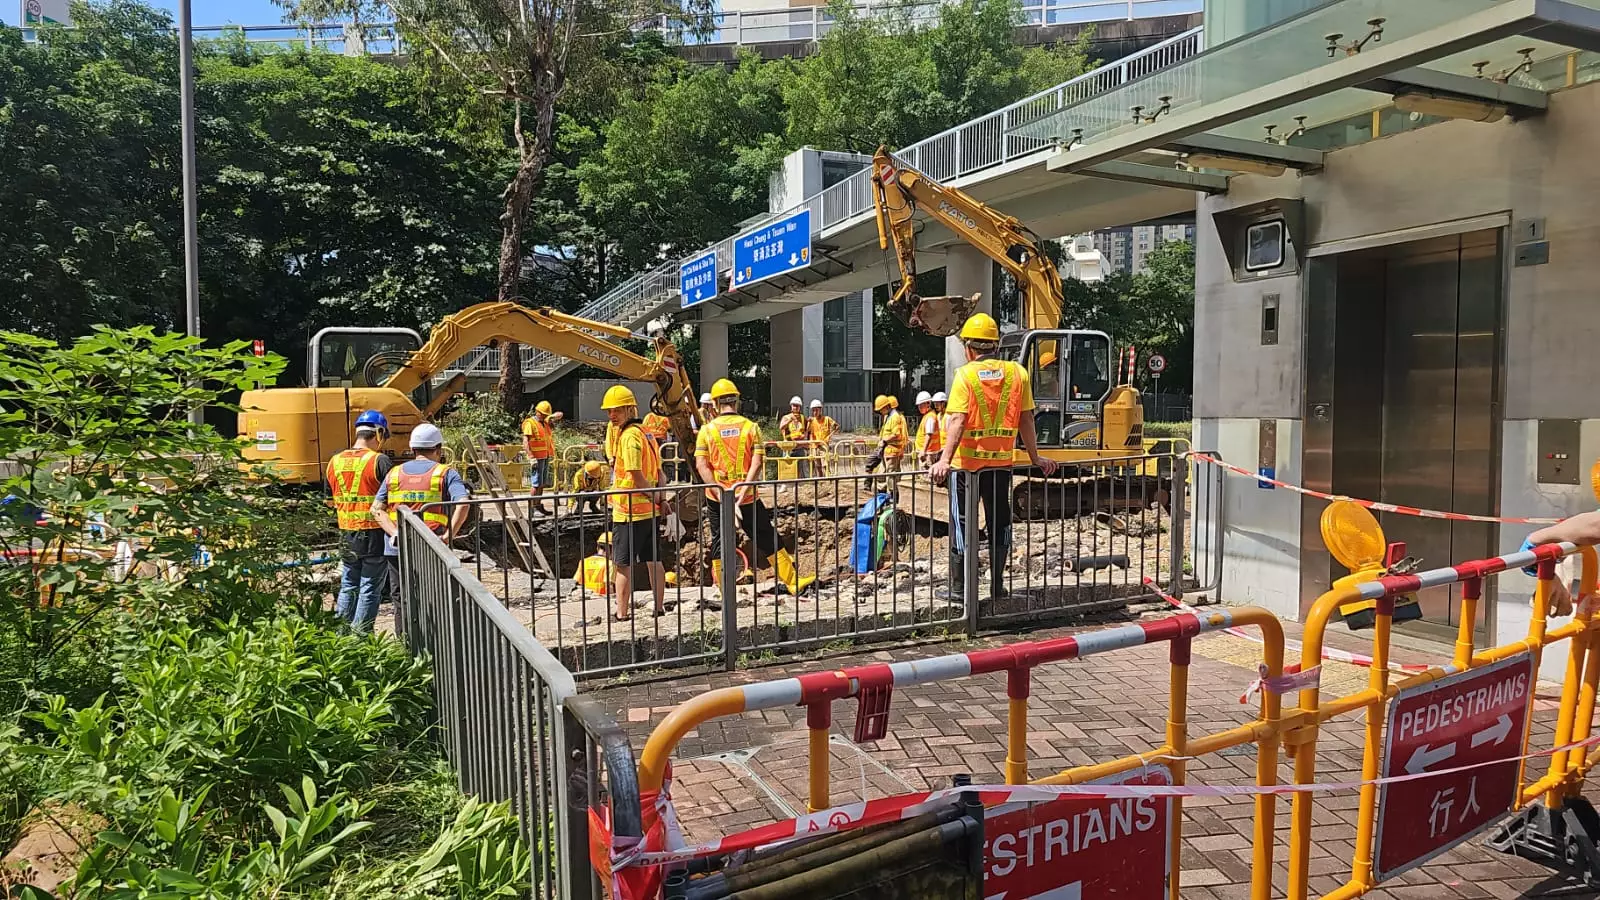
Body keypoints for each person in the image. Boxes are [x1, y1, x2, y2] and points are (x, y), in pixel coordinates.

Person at [929, 313, 1058, 601]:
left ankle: (959, 590)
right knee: (1000, 523)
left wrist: (944, 460)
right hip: (1001, 465)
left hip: (966, 468)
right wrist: (1036, 458)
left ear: (969, 349)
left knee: (962, 525)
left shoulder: (965, 375)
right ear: (996, 346)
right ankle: (997, 587)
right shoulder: (1017, 374)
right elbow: (1027, 420)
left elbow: (959, 420)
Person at [696, 378, 814, 595]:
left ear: (714, 404)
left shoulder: (706, 431)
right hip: (747, 496)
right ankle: (792, 581)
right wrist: (741, 493)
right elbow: (757, 463)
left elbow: (701, 465)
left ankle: (725, 591)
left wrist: (723, 495)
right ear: (737, 401)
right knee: (766, 536)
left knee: (720, 540)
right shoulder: (752, 428)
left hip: (717, 497)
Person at [372, 423, 472, 624]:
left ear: (413, 448)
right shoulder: (445, 473)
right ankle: (433, 646)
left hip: (397, 549)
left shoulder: (394, 473)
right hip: (431, 546)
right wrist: (448, 536)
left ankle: (406, 645)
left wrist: (394, 533)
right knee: (433, 597)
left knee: (401, 598)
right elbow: (464, 503)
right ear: (439, 449)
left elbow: (376, 509)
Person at [603, 385, 670, 620]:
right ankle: (659, 607)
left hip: (629, 512)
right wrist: (661, 500)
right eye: (610, 411)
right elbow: (660, 474)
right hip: (649, 512)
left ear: (630, 409)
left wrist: (655, 497)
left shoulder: (629, 436)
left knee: (622, 565)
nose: (612, 415)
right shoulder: (647, 433)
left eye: (617, 411)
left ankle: (621, 614)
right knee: (654, 561)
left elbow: (635, 474)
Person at [326, 410, 393, 632]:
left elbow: (329, 500)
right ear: (379, 433)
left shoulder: (334, 461)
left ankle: (340, 633)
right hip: (374, 533)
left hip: (346, 534)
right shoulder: (379, 461)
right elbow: (392, 497)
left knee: (348, 585)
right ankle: (360, 637)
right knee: (369, 588)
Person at [521, 401, 559, 514]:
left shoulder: (544, 423)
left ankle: (538, 505)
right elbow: (525, 442)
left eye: (545, 415)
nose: (544, 416)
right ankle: (532, 508)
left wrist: (551, 416)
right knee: (536, 483)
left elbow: (559, 414)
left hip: (545, 456)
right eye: (542, 414)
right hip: (536, 458)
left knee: (541, 484)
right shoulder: (530, 423)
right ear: (537, 412)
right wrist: (531, 457)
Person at [867, 394, 908, 498]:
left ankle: (893, 498)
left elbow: (896, 434)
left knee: (890, 477)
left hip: (892, 452)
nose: (880, 412)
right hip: (887, 451)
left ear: (886, 407)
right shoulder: (888, 417)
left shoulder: (895, 418)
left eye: (881, 409)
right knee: (881, 475)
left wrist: (885, 440)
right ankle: (882, 496)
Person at [572, 531, 615, 599]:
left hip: (586, 598)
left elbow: (577, 583)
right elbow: (608, 586)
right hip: (601, 599)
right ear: (612, 549)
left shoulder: (583, 562)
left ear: (597, 547)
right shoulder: (609, 564)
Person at [778, 396, 810, 477]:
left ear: (800, 407)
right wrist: (789, 421)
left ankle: (796, 487)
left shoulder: (802, 418)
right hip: (788, 447)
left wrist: (805, 438)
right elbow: (781, 427)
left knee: (799, 468)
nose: (796, 407)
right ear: (791, 406)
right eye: (794, 405)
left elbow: (807, 430)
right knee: (786, 468)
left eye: (797, 406)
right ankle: (784, 485)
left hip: (799, 447)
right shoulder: (786, 417)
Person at [807, 399, 840, 475]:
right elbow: (807, 431)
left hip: (824, 445)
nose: (815, 412)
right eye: (813, 410)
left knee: (825, 464)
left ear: (820, 410)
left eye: (816, 410)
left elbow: (837, 426)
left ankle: (828, 479)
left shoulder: (827, 419)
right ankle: (820, 480)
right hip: (814, 446)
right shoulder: (812, 421)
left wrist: (830, 436)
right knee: (817, 465)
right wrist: (808, 423)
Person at [913, 390, 944, 467]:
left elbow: (929, 435)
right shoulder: (928, 415)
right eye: (918, 406)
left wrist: (923, 451)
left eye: (921, 405)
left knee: (926, 476)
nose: (919, 408)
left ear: (928, 404)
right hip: (928, 452)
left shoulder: (930, 417)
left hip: (928, 453)